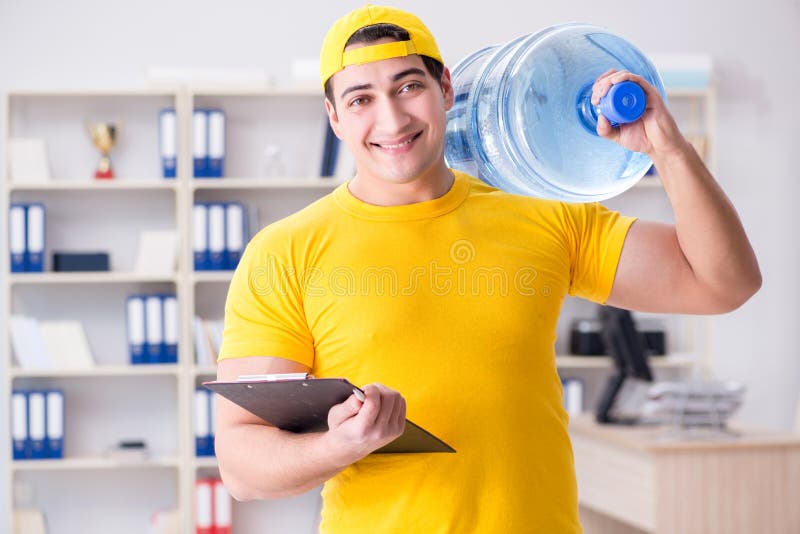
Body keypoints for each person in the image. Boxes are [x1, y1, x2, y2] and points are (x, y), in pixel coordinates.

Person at [214, 5, 761, 533]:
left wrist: (667, 148)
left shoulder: (542, 212)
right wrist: (341, 445)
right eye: (361, 99)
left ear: (446, 89)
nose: (392, 118)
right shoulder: (285, 252)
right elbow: (241, 465)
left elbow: (723, 281)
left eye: (409, 86)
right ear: (334, 117)